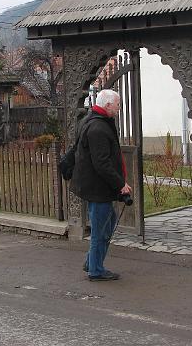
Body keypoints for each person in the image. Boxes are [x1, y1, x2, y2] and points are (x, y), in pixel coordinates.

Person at [71, 89, 132, 281]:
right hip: (98, 189)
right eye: (118, 104)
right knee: (100, 230)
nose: (119, 108)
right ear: (107, 105)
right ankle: (95, 270)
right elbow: (102, 163)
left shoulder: (96, 121)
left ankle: (91, 262)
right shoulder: (98, 127)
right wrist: (120, 184)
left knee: (108, 224)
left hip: (97, 187)